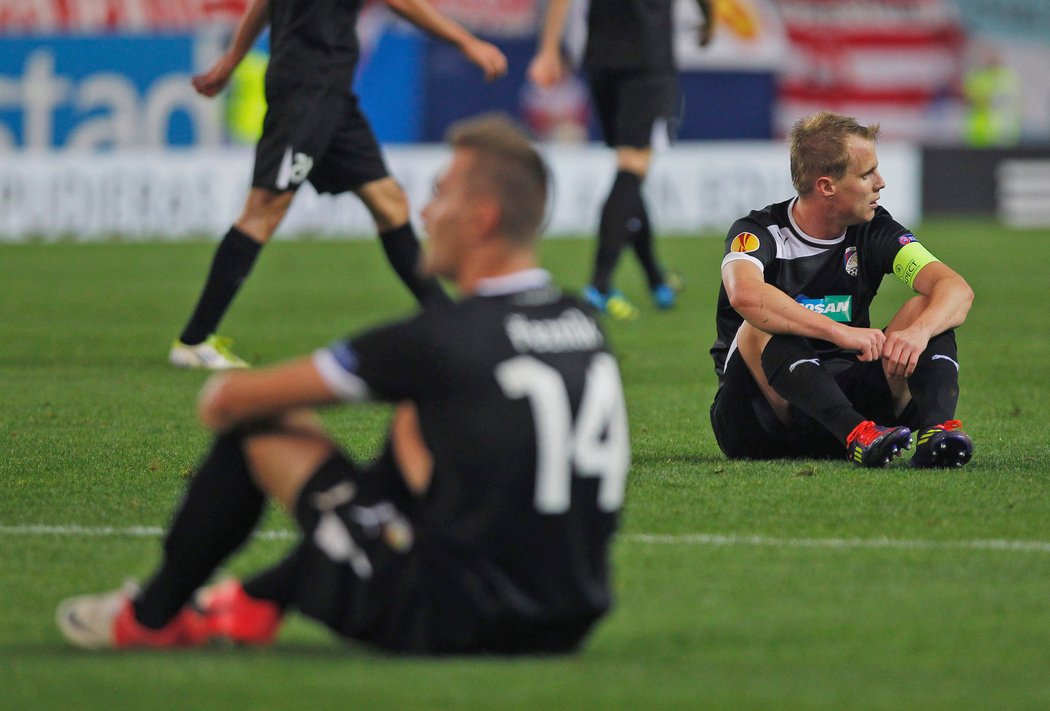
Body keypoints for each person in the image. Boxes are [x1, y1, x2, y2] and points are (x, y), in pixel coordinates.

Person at [57, 114, 631, 655]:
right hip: (572, 618)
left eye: (439, 194)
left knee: (260, 425)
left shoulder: (437, 339)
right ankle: (258, 599)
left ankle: (150, 619)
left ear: (481, 218)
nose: (424, 214)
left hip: (455, 620)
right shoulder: (582, 323)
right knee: (418, 425)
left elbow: (224, 400)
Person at [169, 0, 508, 369]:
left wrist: (231, 60)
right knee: (264, 210)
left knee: (388, 201)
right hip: (307, 90)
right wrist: (466, 42)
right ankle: (195, 340)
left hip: (329, 93)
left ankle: (446, 318)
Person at [709, 111, 975, 468]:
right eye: (867, 174)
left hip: (849, 398)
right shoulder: (758, 232)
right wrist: (840, 332)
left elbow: (955, 288)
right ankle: (855, 434)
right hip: (762, 419)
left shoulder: (875, 230)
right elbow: (744, 294)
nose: (880, 182)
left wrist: (919, 332)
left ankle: (936, 433)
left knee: (928, 308)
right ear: (826, 186)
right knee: (759, 324)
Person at [527, 0, 714, 319]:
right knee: (631, 171)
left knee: (630, 171)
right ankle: (598, 285)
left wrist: (548, 49)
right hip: (648, 59)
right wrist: (710, 21)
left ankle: (656, 279)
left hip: (602, 57)